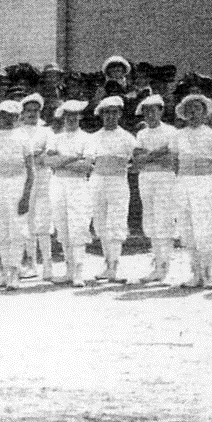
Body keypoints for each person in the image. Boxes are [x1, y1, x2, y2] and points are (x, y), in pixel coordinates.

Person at [0, 100, 33, 289]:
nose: (8, 120)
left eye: (12, 116)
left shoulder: (23, 138)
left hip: (17, 186)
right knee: (1, 229)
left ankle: (15, 272)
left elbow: (30, 170)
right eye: (4, 116)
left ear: (17, 118)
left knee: (17, 229)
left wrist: (26, 196)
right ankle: (4, 272)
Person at [173, 93, 212, 289]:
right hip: (183, 183)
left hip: (204, 183)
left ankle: (208, 273)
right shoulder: (178, 135)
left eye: (197, 109)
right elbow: (175, 163)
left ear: (205, 112)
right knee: (187, 227)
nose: (193, 113)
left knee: (204, 227)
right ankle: (195, 273)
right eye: (189, 110)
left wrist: (208, 182)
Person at [88, 95, 138, 282]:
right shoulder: (94, 138)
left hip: (118, 182)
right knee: (100, 223)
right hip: (97, 182)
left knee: (116, 223)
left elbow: (138, 161)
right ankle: (107, 264)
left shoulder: (127, 138)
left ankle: (114, 266)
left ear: (120, 114)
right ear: (101, 115)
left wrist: (124, 168)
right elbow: (88, 161)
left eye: (114, 113)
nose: (110, 116)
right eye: (106, 113)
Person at [43, 100, 93, 286]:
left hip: (78, 185)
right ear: (62, 117)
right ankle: (69, 270)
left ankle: (79, 271)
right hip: (58, 183)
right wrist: (73, 158)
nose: (71, 118)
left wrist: (61, 160)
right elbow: (48, 162)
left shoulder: (87, 138)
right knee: (62, 225)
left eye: (75, 115)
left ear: (79, 116)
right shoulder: (55, 138)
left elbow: (86, 166)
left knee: (78, 225)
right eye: (67, 115)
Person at [133, 93, 179, 285]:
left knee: (164, 219)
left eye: (154, 110)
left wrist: (148, 156)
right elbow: (137, 159)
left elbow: (171, 159)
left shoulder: (171, 132)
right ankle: (156, 264)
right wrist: (160, 151)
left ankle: (164, 266)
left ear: (161, 111)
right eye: (146, 111)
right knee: (150, 219)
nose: (150, 114)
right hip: (146, 179)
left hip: (165, 178)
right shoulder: (141, 134)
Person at [17, 93, 57, 280]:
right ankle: (31, 264)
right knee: (27, 221)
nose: (32, 114)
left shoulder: (47, 131)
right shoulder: (17, 131)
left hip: (43, 180)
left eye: (36, 110)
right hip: (23, 181)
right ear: (22, 112)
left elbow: (46, 157)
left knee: (43, 222)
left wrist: (32, 157)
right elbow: (18, 158)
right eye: (28, 110)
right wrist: (34, 156)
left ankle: (48, 264)